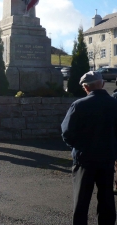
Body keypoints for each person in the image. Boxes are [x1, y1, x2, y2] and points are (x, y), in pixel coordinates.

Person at [61, 71, 117, 225]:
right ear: (103, 84)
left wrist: (77, 146)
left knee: (81, 200)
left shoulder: (79, 105)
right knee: (107, 199)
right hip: (107, 159)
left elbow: (67, 132)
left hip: (84, 159)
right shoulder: (114, 104)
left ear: (85, 87)